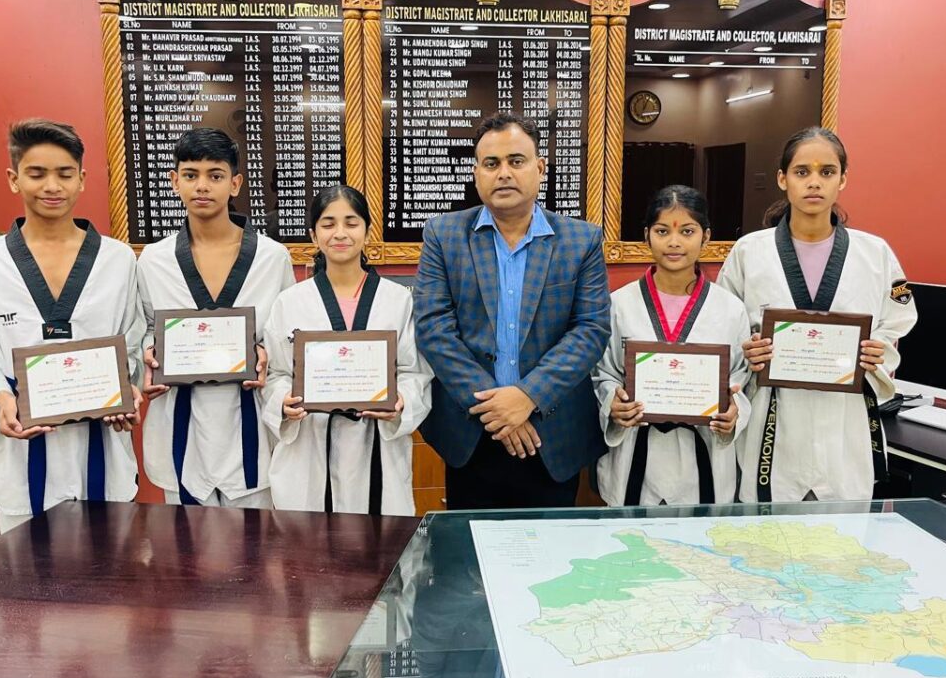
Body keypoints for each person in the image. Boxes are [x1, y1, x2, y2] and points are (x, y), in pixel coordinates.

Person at [0, 119, 142, 532]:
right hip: (22, 455)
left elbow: (133, 340)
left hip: (101, 447)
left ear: (82, 179)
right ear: (13, 179)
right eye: (37, 174)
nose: (52, 186)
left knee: (108, 566)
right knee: (25, 569)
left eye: (64, 174)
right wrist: (1, 397)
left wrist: (129, 389)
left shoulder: (117, 259)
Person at [414, 111, 611, 510]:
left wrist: (528, 396)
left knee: (551, 546)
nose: (503, 173)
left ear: (540, 168)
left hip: (552, 430)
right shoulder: (444, 235)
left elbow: (590, 329)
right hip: (472, 431)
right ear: (476, 174)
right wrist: (497, 409)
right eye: (491, 163)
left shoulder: (581, 240)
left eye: (516, 161)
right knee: (468, 545)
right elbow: (434, 328)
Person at [716, 126, 918, 502]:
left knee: (841, 530)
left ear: (843, 179)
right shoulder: (749, 251)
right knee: (767, 530)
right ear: (782, 179)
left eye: (827, 172)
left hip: (843, 416)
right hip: (774, 415)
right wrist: (747, 350)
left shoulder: (876, 253)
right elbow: (725, 324)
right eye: (801, 171)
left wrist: (879, 348)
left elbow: (900, 317)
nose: (814, 182)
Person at [138, 128, 294, 507]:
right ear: (174, 181)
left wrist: (266, 353)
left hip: (250, 417)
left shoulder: (272, 257)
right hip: (181, 417)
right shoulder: (153, 260)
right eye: (190, 175)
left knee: (256, 538)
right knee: (187, 540)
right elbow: (143, 330)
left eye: (216, 175)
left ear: (235, 183)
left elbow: (288, 336)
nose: (202, 186)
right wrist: (149, 354)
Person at [260, 185, 432, 516]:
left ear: (367, 231)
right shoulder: (289, 302)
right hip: (310, 449)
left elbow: (415, 372)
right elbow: (276, 374)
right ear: (314, 235)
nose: (340, 233)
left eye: (351, 223)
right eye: (328, 224)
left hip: (377, 445)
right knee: (310, 544)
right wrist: (282, 401)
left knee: (379, 541)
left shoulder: (398, 300)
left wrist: (401, 400)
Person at [592, 186, 749, 506]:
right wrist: (613, 403)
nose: (674, 242)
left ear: (706, 237)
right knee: (632, 537)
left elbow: (740, 377)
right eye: (662, 231)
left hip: (702, 453)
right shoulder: (619, 304)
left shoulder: (731, 309)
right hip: (636, 452)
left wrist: (734, 410)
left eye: (687, 231)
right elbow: (603, 371)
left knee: (700, 538)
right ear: (647, 236)